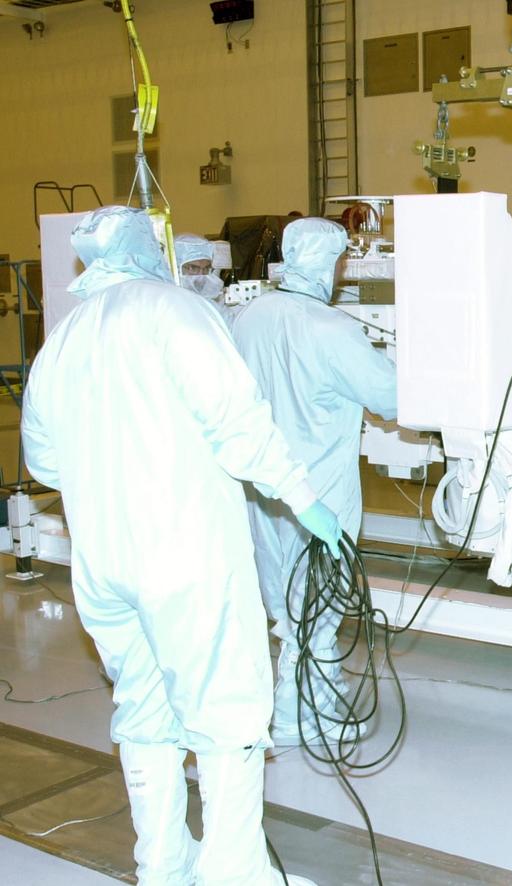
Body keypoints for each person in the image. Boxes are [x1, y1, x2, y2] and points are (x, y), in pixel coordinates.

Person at [21, 205, 339, 885]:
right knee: (227, 711)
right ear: (151, 248)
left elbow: (44, 462)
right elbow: (237, 424)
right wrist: (302, 496)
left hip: (104, 561)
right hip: (185, 554)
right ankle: (234, 873)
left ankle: (162, 865)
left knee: (143, 706)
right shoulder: (178, 314)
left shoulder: (66, 337)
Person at [232, 217, 397, 745]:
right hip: (319, 488)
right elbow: (390, 397)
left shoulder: (247, 317)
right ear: (333, 264)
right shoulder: (333, 329)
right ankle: (307, 713)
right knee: (320, 603)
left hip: (263, 487)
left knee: (282, 598)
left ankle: (293, 703)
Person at [174, 232, 240, 324]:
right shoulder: (167, 303)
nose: (201, 275)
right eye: (193, 268)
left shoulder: (211, 303)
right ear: (176, 267)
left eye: (206, 268)